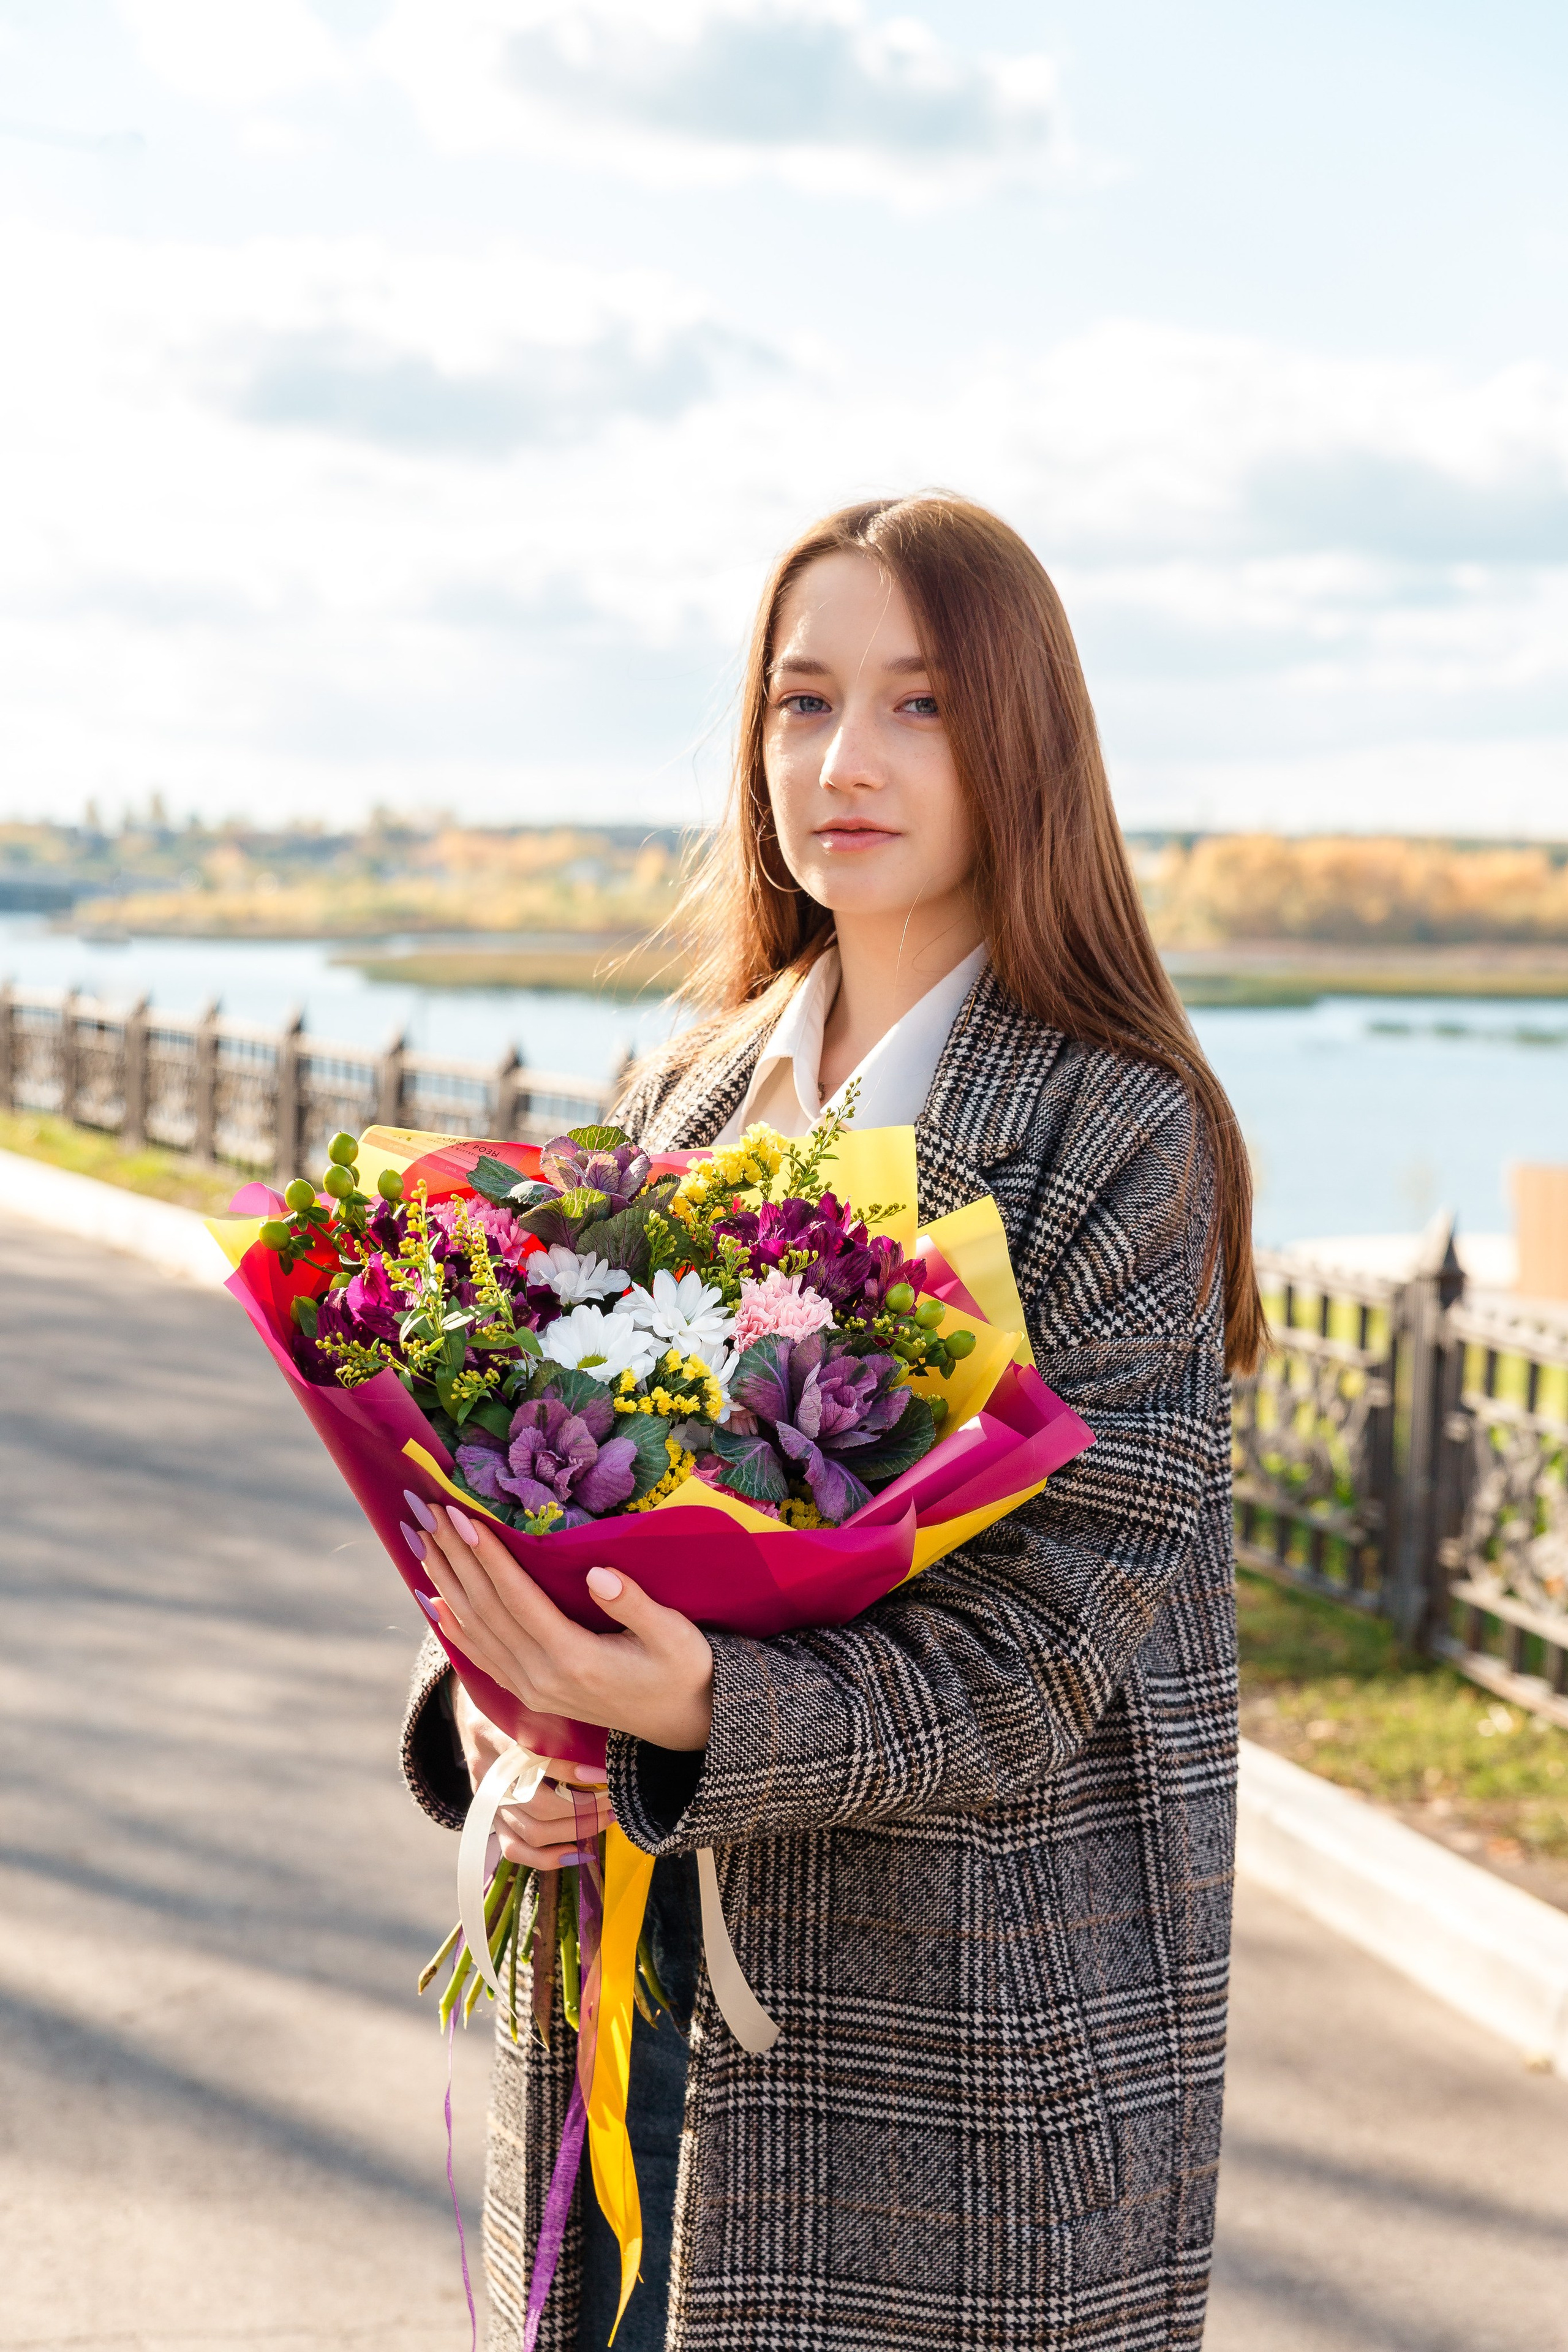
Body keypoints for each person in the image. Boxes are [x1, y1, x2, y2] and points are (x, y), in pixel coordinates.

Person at [401, 491, 1262, 2352]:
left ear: (1022, 738)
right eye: (803, 701)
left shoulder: (1114, 1131)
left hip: (954, 2067)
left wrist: (702, 1711)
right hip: (625, 2006)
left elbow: (1047, 1654)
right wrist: (510, 1711)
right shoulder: (684, 1097)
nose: (844, 758)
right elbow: (531, 1479)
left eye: (918, 703)